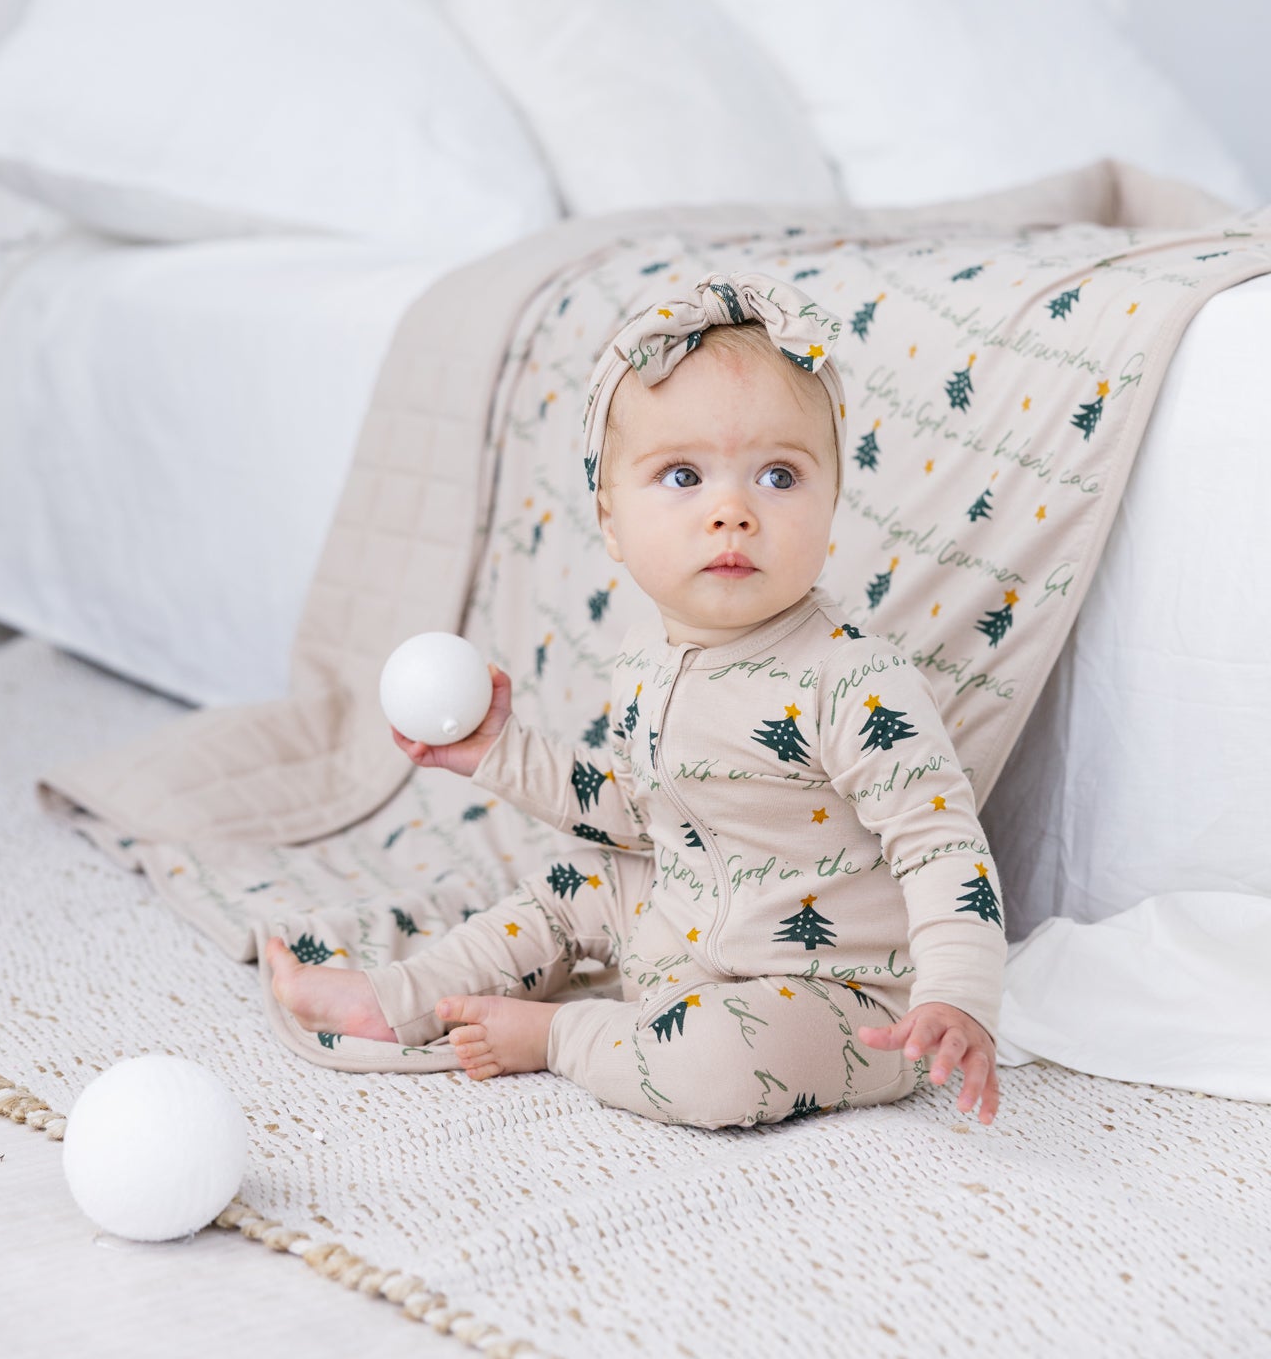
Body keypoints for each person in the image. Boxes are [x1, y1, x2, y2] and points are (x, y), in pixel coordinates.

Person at [268, 271, 1006, 1130]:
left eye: (778, 475)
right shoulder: (644, 658)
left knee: (720, 1061)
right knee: (569, 888)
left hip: (831, 991)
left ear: (832, 504)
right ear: (612, 521)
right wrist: (499, 754)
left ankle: (561, 1035)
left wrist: (956, 995)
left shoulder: (854, 680)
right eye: (683, 475)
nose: (732, 511)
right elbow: (640, 813)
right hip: (681, 923)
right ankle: (398, 999)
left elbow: (942, 845)